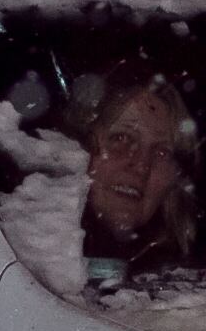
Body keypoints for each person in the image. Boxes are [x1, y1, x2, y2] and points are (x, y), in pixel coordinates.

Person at [78, 71, 196, 277]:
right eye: (121, 138)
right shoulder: (24, 262)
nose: (142, 165)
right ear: (80, 147)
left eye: (161, 152)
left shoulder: (190, 288)